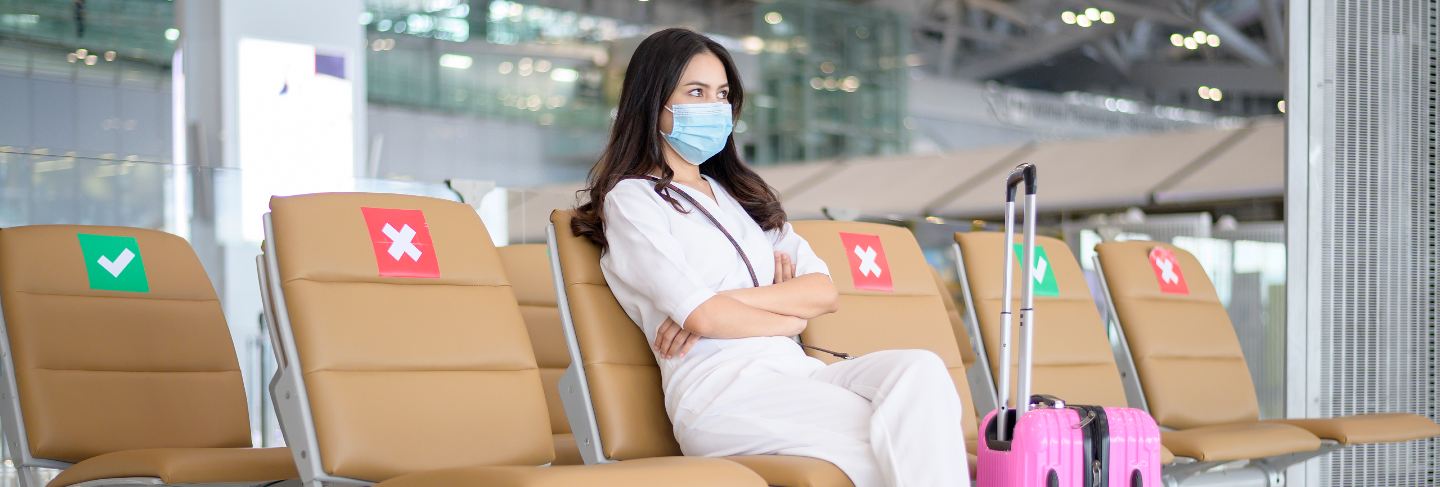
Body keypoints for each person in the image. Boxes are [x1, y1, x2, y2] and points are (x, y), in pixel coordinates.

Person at [570, 28, 971, 487]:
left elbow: (823, 292)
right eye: (695, 92)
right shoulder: (634, 200)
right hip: (724, 396)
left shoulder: (741, 197)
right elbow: (702, 316)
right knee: (895, 432)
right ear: (653, 101)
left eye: (722, 94)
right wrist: (786, 314)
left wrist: (736, 305)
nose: (714, 106)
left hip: (800, 375)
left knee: (919, 370)